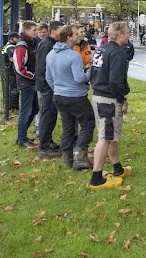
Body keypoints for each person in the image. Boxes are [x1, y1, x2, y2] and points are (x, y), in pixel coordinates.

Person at [45, 25, 95, 170]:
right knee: (88, 123)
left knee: (68, 127)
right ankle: (80, 155)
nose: (78, 36)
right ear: (68, 37)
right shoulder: (73, 55)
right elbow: (79, 78)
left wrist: (58, 88)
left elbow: (48, 77)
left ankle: (67, 157)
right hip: (76, 96)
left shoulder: (51, 54)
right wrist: (90, 71)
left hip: (59, 95)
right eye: (75, 34)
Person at [89, 22, 131, 190]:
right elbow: (115, 81)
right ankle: (96, 178)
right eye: (127, 33)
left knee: (111, 134)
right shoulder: (117, 53)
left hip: (98, 95)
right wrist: (122, 96)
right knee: (105, 137)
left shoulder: (101, 49)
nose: (129, 36)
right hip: (108, 99)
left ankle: (117, 168)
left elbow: (93, 72)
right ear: (120, 35)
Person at [35, 21, 63, 158]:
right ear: (53, 31)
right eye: (60, 30)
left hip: (49, 85)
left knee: (51, 115)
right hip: (47, 86)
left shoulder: (50, 44)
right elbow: (43, 67)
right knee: (47, 115)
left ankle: (48, 141)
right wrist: (49, 85)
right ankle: (44, 147)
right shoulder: (47, 45)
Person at [14, 21, 40, 148]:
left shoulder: (32, 43)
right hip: (27, 82)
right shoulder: (22, 45)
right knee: (26, 110)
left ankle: (22, 135)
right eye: (34, 30)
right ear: (27, 30)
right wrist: (33, 76)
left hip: (32, 81)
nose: (37, 32)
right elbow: (20, 67)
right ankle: (21, 138)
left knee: (35, 108)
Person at [1, 33, 20, 111]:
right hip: (11, 71)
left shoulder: (8, 45)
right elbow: (11, 59)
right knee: (13, 89)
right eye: (17, 38)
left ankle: (10, 105)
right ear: (12, 38)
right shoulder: (10, 47)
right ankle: (13, 106)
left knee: (12, 88)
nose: (18, 40)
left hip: (8, 70)